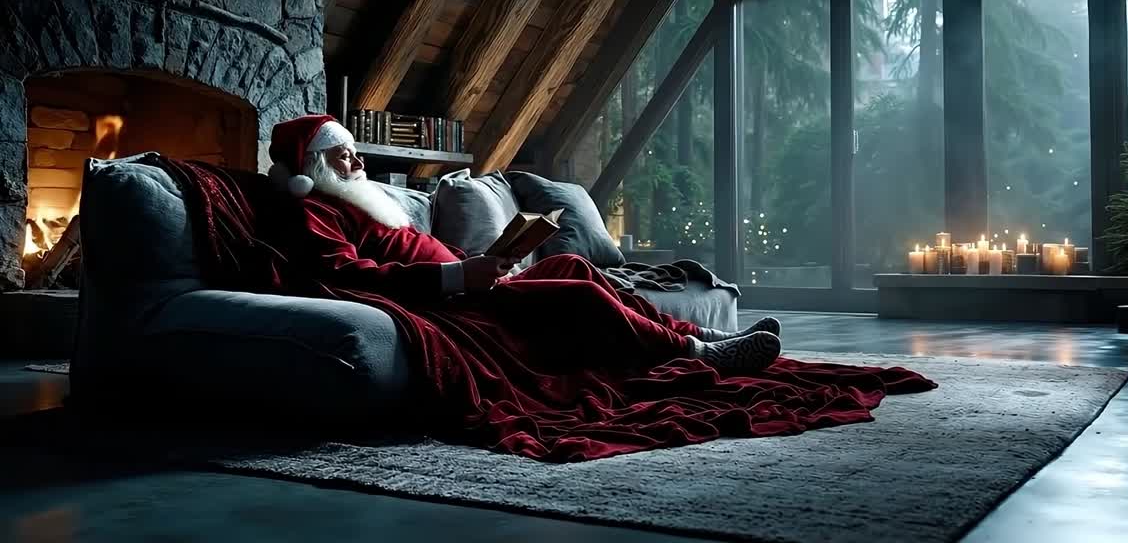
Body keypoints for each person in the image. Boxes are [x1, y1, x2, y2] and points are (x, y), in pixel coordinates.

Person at [265, 115, 785, 372]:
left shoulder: (362, 204)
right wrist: (457, 276)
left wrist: (483, 262)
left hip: (472, 282)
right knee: (579, 294)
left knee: (577, 268)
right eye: (344, 155)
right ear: (313, 165)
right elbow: (345, 276)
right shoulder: (315, 212)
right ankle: (697, 354)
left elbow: (418, 251)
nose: (358, 163)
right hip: (450, 304)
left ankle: (701, 334)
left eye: (356, 152)